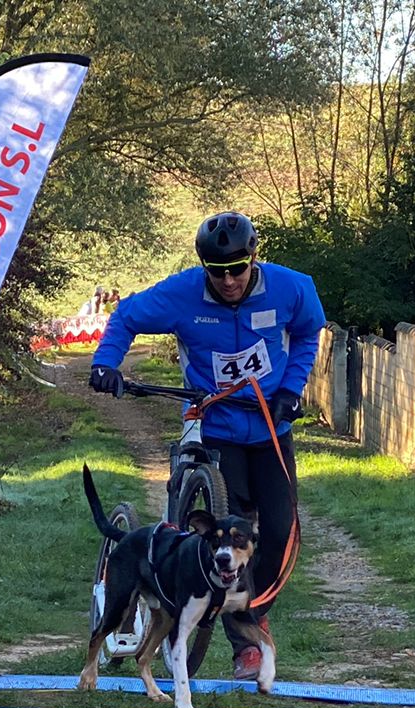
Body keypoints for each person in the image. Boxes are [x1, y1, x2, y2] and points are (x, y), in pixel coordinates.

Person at [90, 211, 326, 681]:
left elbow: (307, 332)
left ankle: (253, 611)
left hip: (269, 426)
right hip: (216, 424)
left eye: (238, 270)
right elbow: (126, 317)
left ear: (252, 260)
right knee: (232, 524)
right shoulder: (182, 294)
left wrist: (291, 388)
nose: (230, 281)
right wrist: (106, 363)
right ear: (205, 269)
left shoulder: (291, 287)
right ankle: (245, 644)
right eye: (218, 273)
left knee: (278, 529)